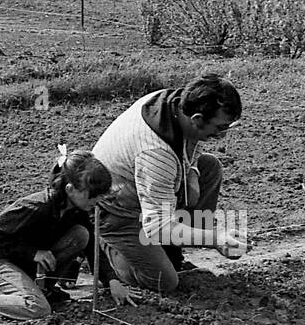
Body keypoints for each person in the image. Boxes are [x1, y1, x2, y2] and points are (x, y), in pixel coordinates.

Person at [91, 73, 248, 294]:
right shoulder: (156, 154)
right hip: (115, 209)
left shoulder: (173, 102)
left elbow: (193, 145)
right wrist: (216, 239)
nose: (220, 136)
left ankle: (172, 243)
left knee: (209, 168)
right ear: (196, 119)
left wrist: (191, 173)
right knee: (164, 281)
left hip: (143, 190)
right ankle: (105, 248)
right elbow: (157, 228)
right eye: (220, 128)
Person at [0, 149, 129, 320]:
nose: (97, 202)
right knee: (37, 308)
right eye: (93, 196)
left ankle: (44, 289)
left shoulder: (77, 210)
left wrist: (111, 280)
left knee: (81, 234)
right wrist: (33, 253)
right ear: (70, 189)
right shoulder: (38, 206)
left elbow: (91, 245)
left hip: (26, 261)